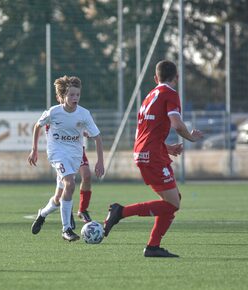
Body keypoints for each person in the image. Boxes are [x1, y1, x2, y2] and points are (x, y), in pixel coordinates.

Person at [103, 60, 203, 258]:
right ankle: (120, 212)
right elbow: (176, 124)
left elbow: (146, 132)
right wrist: (190, 137)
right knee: (173, 204)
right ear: (177, 77)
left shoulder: (149, 96)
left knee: (173, 200)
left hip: (146, 152)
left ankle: (153, 247)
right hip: (153, 156)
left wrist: (166, 147)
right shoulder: (170, 94)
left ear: (156, 78)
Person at [28, 75, 104, 242]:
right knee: (70, 184)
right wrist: (34, 149)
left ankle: (42, 214)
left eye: (77, 94)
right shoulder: (54, 112)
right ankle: (66, 229)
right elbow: (37, 126)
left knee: (58, 198)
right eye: (71, 95)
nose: (75, 98)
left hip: (75, 156)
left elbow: (97, 137)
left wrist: (100, 161)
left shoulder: (84, 114)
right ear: (62, 97)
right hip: (57, 153)